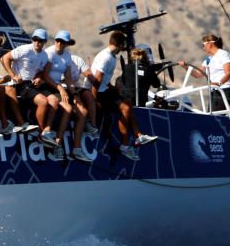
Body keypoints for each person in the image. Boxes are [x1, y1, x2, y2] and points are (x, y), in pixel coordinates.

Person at [91, 32, 157, 161]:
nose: (123, 49)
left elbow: (104, 81)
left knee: (127, 104)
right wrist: (93, 100)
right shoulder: (107, 58)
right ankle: (125, 146)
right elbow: (97, 80)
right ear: (120, 45)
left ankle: (138, 136)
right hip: (98, 92)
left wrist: (113, 89)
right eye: (123, 46)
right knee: (125, 109)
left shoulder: (111, 56)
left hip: (104, 90)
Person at [0, 28, 53, 140]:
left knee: (52, 101)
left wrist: (38, 77)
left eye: (40, 40)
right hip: (19, 84)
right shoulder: (25, 49)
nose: (37, 42)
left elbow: (39, 71)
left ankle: (42, 131)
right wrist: (13, 75)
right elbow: (4, 58)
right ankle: (42, 132)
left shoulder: (44, 55)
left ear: (45, 42)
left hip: (30, 84)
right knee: (43, 102)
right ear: (32, 39)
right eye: (35, 39)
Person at [43, 30, 83, 161]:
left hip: (58, 88)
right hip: (47, 87)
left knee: (75, 109)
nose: (59, 43)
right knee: (65, 107)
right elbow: (45, 75)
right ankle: (51, 137)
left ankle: (61, 144)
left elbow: (69, 78)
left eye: (63, 42)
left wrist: (75, 94)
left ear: (66, 44)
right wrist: (60, 88)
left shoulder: (67, 56)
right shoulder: (49, 53)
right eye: (57, 40)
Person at [177, 33, 230, 111]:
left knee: (216, 116)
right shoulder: (208, 59)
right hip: (214, 91)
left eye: (204, 45)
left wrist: (219, 83)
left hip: (223, 90)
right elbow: (197, 74)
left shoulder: (223, 54)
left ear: (210, 44)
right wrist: (185, 67)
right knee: (212, 116)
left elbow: (228, 73)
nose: (203, 48)